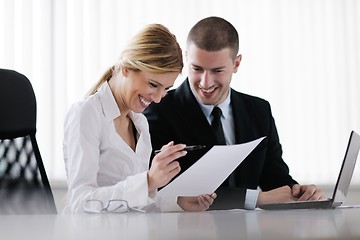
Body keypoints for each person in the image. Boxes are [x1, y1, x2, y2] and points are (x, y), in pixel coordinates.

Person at [143, 17, 325, 210]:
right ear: (187, 58)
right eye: (197, 69)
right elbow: (166, 191)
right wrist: (257, 199)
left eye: (217, 71)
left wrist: (299, 192)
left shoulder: (259, 111)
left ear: (236, 64)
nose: (205, 82)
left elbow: (275, 180)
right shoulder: (159, 109)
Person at [62, 23, 216, 213]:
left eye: (165, 89)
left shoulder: (139, 122)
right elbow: (80, 202)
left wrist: (177, 202)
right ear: (126, 68)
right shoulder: (86, 114)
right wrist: (148, 181)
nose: (158, 99)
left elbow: (133, 202)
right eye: (153, 84)